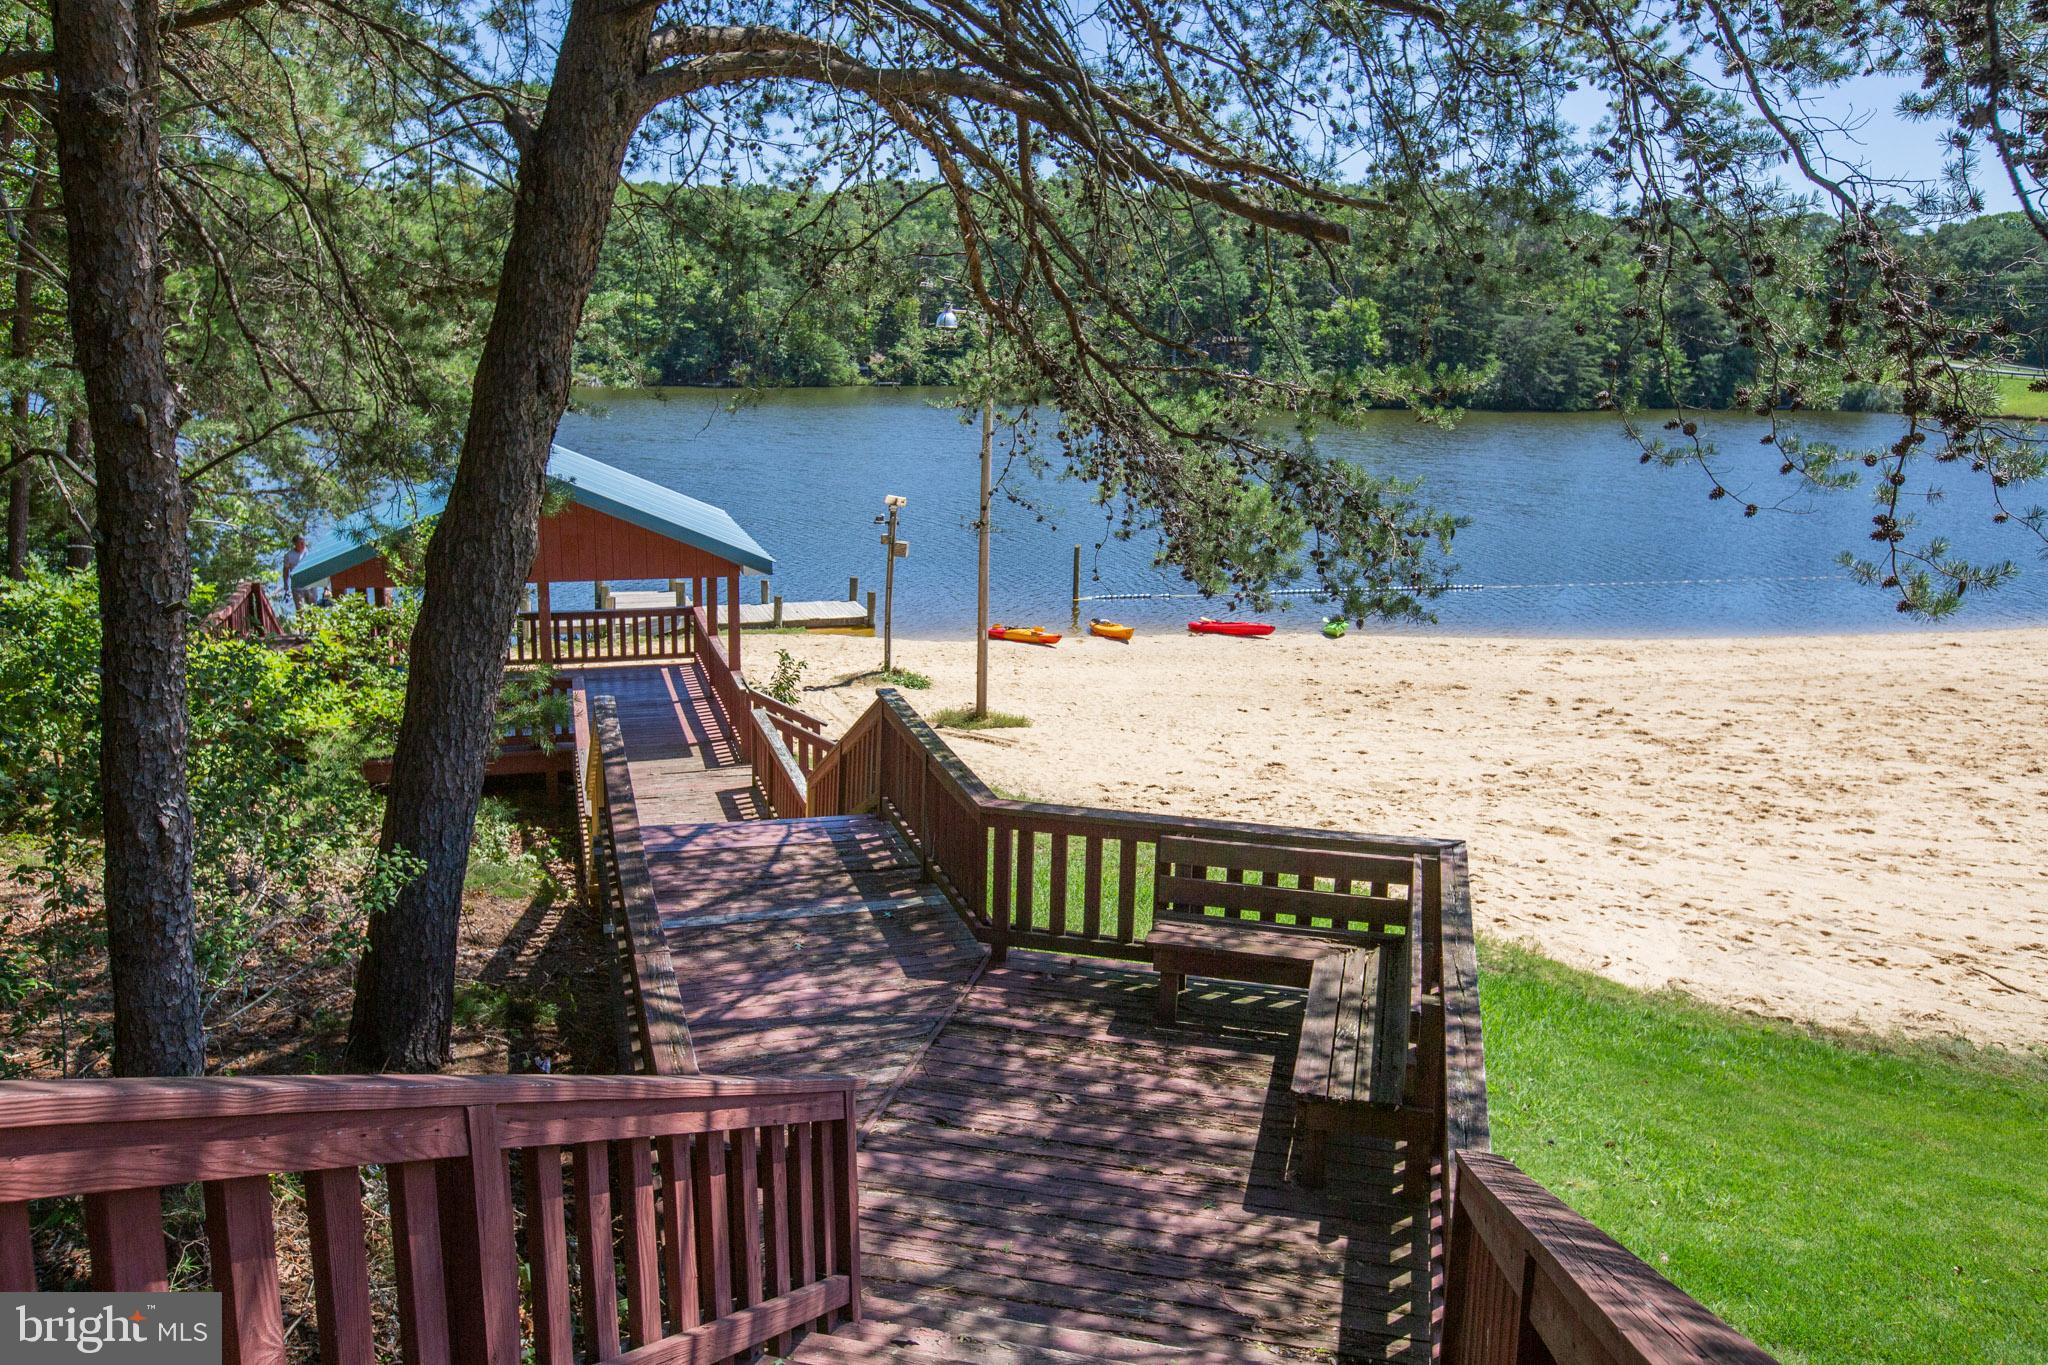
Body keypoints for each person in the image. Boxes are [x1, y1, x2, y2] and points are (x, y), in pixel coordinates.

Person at [283, 534, 310, 606]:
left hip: (310, 583)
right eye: (300, 543)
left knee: (313, 607)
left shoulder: (309, 552)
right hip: (297, 585)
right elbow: (286, 570)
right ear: (295, 544)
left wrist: (326, 587)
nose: (302, 544)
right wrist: (286, 584)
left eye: (303, 542)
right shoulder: (289, 555)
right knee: (300, 608)